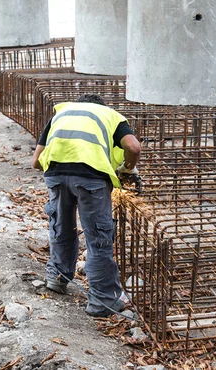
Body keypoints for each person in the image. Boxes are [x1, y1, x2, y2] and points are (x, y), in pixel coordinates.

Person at [31, 94, 141, 317]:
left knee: (61, 227)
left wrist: (65, 175)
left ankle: (57, 278)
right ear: (101, 107)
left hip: (55, 174)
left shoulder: (61, 114)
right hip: (91, 179)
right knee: (98, 239)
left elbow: (35, 162)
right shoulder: (111, 116)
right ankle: (103, 301)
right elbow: (133, 147)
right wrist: (127, 170)